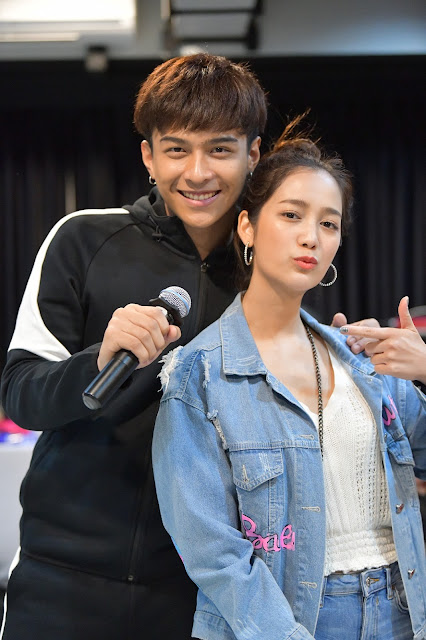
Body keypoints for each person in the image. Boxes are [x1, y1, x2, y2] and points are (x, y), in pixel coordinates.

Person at [0, 54, 380, 639]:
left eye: (220, 149)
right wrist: (96, 362)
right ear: (148, 155)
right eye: (177, 149)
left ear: (253, 154)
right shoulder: (83, 239)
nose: (198, 172)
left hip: (199, 593)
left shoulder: (269, 269)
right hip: (63, 580)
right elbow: (21, 393)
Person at [152, 118, 426, 640]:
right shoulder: (199, 374)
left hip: (401, 610)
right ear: (248, 227)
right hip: (290, 620)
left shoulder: (363, 360)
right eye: (292, 215)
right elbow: (211, 551)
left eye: (329, 223)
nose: (311, 237)